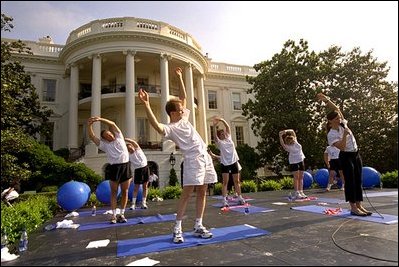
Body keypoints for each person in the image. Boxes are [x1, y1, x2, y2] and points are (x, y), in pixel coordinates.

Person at [138, 67, 217, 244]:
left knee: (203, 191)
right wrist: (147, 105)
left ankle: (198, 225)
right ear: (173, 112)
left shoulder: (183, 118)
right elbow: (157, 126)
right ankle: (177, 228)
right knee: (187, 193)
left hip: (205, 157)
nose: (184, 109)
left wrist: (180, 77)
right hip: (192, 160)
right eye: (181, 109)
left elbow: (184, 97)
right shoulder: (171, 128)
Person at [316, 93, 372, 216]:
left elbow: (337, 109)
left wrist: (327, 100)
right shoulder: (331, 134)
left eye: (339, 118)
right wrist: (345, 135)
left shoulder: (343, 124)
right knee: (350, 181)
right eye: (336, 119)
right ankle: (353, 207)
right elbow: (341, 147)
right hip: (345, 156)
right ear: (331, 121)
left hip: (355, 154)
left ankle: (359, 205)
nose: (339, 119)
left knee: (357, 180)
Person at [87, 116, 132, 223]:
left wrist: (100, 119)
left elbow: (112, 124)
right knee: (114, 192)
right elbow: (92, 137)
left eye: (110, 133)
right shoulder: (104, 146)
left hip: (125, 166)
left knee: (125, 191)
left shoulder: (120, 137)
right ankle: (113, 216)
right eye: (107, 135)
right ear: (104, 138)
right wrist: (89, 126)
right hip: (114, 168)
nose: (110, 135)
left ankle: (122, 214)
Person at [212, 117, 246, 207]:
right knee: (225, 182)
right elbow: (214, 136)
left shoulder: (229, 139)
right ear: (220, 136)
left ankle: (240, 197)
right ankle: (224, 199)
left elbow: (228, 127)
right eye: (222, 133)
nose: (224, 134)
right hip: (225, 163)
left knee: (237, 181)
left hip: (234, 161)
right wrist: (214, 126)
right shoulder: (219, 143)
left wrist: (222, 120)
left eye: (224, 132)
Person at [279, 129, 307, 199]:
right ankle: (297, 192)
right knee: (296, 177)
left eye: (293, 139)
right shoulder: (288, 147)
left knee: (301, 177)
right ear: (288, 142)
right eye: (292, 140)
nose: (293, 140)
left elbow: (292, 131)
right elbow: (282, 143)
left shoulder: (296, 142)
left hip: (301, 160)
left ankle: (301, 191)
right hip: (293, 162)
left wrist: (285, 131)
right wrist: (280, 136)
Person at [125, 138, 150, 210]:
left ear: (133, 147)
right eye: (128, 149)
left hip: (145, 168)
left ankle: (143, 203)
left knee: (145, 187)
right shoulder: (129, 156)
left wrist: (125, 139)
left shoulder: (138, 149)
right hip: (138, 171)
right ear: (127, 151)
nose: (131, 149)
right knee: (136, 188)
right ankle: (133, 204)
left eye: (131, 147)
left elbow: (133, 142)